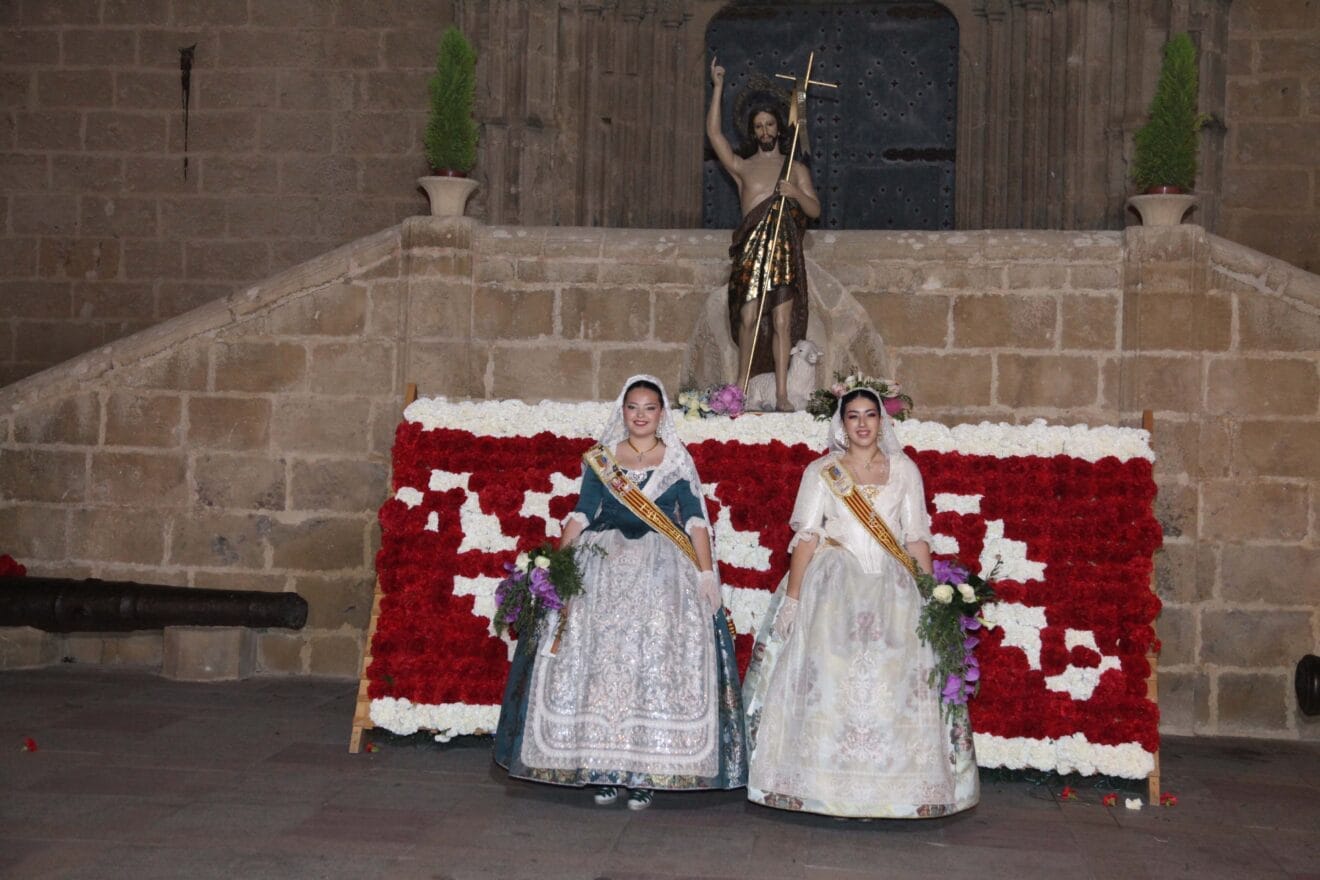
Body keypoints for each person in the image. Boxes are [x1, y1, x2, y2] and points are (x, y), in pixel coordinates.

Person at [494, 375, 748, 810]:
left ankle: (648, 770)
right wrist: (556, 564)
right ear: (622, 411)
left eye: (650, 408)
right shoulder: (602, 459)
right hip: (603, 565)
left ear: (662, 413)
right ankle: (604, 767)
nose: (641, 415)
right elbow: (581, 514)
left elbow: (693, 521)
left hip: (662, 570)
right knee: (602, 661)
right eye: (633, 407)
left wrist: (707, 574)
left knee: (652, 659)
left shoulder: (677, 462)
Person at [741, 385, 979, 818]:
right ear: (841, 422)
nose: (863, 424)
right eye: (853, 416)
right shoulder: (821, 471)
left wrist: (930, 596)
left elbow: (916, 538)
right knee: (831, 675)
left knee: (895, 679)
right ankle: (823, 785)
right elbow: (807, 538)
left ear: (881, 420)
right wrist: (792, 600)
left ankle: (892, 790)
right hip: (833, 583)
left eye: (870, 414)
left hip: (894, 585)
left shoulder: (905, 470)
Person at [707, 57, 821, 412]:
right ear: (752, 131)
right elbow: (714, 135)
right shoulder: (744, 167)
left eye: (771, 124)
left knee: (782, 321)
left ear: (779, 128)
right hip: (752, 252)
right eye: (759, 126)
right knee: (748, 318)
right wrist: (718, 88)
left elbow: (815, 210)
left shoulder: (795, 168)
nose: (766, 131)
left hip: (784, 250)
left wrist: (795, 193)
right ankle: (740, 389)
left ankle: (783, 394)